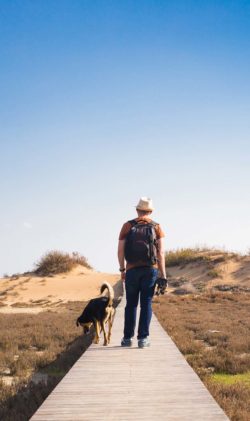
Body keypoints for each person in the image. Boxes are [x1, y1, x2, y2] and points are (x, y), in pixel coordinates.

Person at [118, 197, 167, 348]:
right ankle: (143, 339)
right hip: (150, 270)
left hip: (132, 270)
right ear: (150, 211)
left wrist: (122, 269)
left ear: (137, 210)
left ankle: (127, 338)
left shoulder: (127, 226)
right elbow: (161, 253)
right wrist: (163, 275)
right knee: (146, 303)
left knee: (131, 304)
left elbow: (120, 251)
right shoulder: (156, 226)